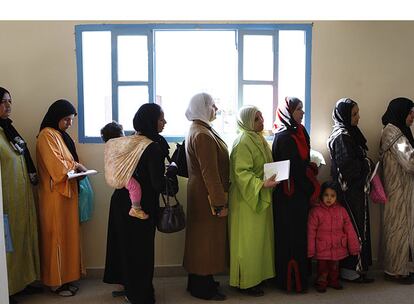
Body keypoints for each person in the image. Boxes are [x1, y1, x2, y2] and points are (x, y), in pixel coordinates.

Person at [103, 103, 176, 304]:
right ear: (152, 121)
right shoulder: (151, 146)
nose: (165, 122)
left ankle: (129, 288)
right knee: (141, 252)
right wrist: (171, 172)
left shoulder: (130, 141)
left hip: (121, 201)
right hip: (140, 206)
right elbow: (157, 183)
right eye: (162, 119)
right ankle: (140, 296)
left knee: (127, 247)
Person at [36, 99, 88, 296]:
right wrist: (76, 167)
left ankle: (65, 279)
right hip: (54, 196)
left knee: (67, 237)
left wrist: (76, 166)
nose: (69, 124)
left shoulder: (59, 135)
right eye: (66, 119)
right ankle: (55, 283)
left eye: (71, 120)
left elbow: (67, 161)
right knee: (56, 238)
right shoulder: (46, 136)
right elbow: (57, 168)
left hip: (66, 194)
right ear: (56, 116)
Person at [183, 92, 229, 301]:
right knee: (205, 241)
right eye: (212, 106)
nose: (215, 109)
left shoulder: (199, 129)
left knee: (201, 240)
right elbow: (210, 173)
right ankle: (202, 287)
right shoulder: (202, 134)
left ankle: (200, 280)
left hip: (200, 192)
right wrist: (219, 202)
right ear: (202, 108)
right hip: (206, 195)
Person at [228, 105, 278, 297]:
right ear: (247, 121)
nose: (262, 121)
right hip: (246, 199)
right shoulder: (242, 141)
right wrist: (260, 184)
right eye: (257, 119)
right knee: (247, 242)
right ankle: (246, 282)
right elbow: (241, 173)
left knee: (260, 240)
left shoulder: (258, 139)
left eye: (261, 117)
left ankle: (258, 276)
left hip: (259, 195)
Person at [272, 96, 319, 293]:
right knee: (289, 237)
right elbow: (292, 169)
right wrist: (309, 185)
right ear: (288, 112)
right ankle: (290, 282)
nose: (302, 112)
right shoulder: (283, 137)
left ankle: (302, 279)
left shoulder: (301, 132)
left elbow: (303, 161)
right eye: (299, 109)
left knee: (300, 237)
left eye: (302, 109)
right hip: (288, 195)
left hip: (300, 194)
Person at [0, 87, 40, 303]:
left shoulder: (9, 129)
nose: (8, 106)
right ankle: (6, 289)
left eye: (10, 101)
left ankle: (21, 283)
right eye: (3, 102)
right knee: (7, 246)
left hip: (20, 198)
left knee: (22, 240)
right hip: (5, 202)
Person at [327, 98, 374, 283]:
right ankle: (351, 271)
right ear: (344, 115)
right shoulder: (341, 136)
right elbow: (348, 167)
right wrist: (367, 163)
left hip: (356, 191)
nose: (358, 117)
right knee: (352, 231)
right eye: (354, 114)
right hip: (348, 192)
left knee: (358, 229)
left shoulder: (350, 133)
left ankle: (358, 270)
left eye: (357, 113)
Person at [380, 97, 414, 284]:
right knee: (398, 230)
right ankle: (395, 271)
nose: (412, 116)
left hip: (402, 188)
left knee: (403, 229)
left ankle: (403, 269)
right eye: (410, 112)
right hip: (397, 190)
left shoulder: (399, 130)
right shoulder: (393, 133)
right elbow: (409, 161)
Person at [308, 181, 360, 293]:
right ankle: (321, 282)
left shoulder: (342, 211)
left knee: (335, 267)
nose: (329, 198)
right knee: (322, 268)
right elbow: (310, 232)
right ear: (321, 195)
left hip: (338, 247)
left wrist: (354, 247)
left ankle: (333, 280)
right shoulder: (316, 212)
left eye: (332, 196)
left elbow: (349, 229)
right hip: (322, 247)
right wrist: (310, 249)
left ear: (337, 197)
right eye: (326, 195)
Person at [101, 121, 148, 220]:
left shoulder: (109, 146)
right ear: (119, 136)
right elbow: (131, 143)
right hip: (120, 177)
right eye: (123, 134)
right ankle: (135, 208)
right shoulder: (119, 146)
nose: (125, 137)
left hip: (113, 177)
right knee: (135, 187)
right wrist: (137, 135)